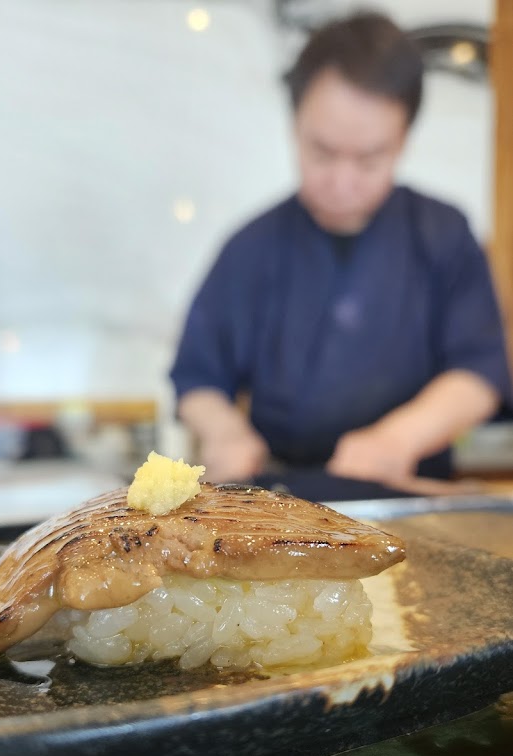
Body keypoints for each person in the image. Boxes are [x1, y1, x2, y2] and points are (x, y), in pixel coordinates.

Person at [170, 11, 512, 493]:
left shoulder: (445, 233)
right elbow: (197, 376)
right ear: (295, 126)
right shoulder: (250, 247)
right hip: (278, 501)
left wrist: (397, 439)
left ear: (403, 140)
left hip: (409, 498)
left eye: (369, 159)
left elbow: (480, 371)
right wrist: (224, 432)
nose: (342, 182)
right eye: (322, 153)